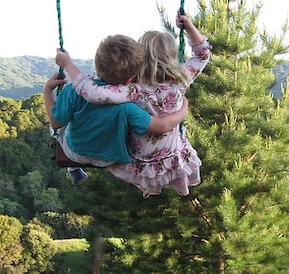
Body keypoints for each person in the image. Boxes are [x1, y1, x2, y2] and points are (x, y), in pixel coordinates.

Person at [56, 13, 211, 197]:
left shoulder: (133, 90)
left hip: (142, 161)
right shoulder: (182, 80)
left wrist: (68, 65)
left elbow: (93, 93)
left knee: (108, 152)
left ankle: (76, 168)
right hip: (174, 155)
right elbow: (202, 55)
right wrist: (189, 27)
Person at [44, 34, 189, 185]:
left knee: (60, 123)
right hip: (110, 158)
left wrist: (47, 90)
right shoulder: (131, 104)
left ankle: (73, 169)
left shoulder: (73, 91)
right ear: (130, 79)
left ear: (97, 65)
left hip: (75, 152)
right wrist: (183, 110)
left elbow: (56, 123)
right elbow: (161, 126)